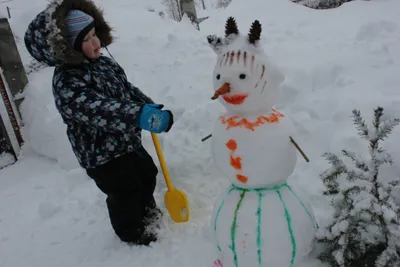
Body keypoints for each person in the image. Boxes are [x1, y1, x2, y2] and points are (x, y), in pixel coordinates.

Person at [24, 0, 174, 246]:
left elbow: (126, 90)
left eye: (95, 35)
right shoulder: (67, 83)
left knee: (147, 174)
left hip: (126, 140)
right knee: (125, 191)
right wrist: (138, 115)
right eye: (86, 39)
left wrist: (148, 106)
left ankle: (147, 212)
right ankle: (132, 231)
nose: (95, 43)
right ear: (69, 47)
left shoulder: (104, 64)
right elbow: (99, 110)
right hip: (101, 154)